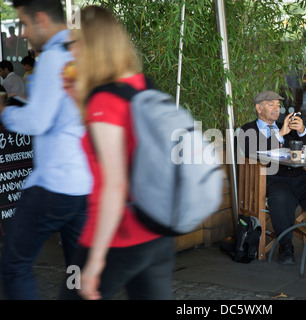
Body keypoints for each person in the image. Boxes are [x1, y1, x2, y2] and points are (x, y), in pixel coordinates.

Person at [59, 5, 175, 300]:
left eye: (73, 42)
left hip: (114, 236)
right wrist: (78, 99)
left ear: (90, 45)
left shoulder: (103, 101)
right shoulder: (141, 85)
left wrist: (96, 260)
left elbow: (114, 183)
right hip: (158, 232)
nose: (70, 50)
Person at [0, 0, 92, 300]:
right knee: (76, 272)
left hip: (52, 183)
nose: (24, 33)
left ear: (41, 19)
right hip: (81, 184)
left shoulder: (53, 58)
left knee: (14, 265)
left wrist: (5, 112)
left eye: (24, 23)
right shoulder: (80, 51)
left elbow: (38, 121)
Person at [239, 91, 306, 265]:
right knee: (281, 198)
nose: (276, 109)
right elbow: (254, 155)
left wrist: (302, 131)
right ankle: (286, 246)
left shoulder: (287, 127)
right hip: (272, 179)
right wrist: (279, 134)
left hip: (300, 176)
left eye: (278, 105)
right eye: (271, 105)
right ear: (258, 108)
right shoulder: (248, 130)